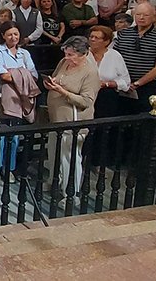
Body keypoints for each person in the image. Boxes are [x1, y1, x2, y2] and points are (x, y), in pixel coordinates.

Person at [44, 36, 99, 205]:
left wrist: (63, 92)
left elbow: (86, 101)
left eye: (71, 55)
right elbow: (56, 77)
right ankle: (56, 181)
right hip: (56, 117)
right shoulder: (63, 62)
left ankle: (71, 194)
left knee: (70, 157)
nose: (67, 58)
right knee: (54, 153)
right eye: (66, 54)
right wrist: (50, 84)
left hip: (73, 121)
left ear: (84, 54)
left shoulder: (90, 72)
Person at [112, 3, 156, 112]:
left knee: (145, 119)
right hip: (123, 85)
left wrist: (138, 83)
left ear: (154, 17)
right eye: (138, 14)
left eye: (146, 15)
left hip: (148, 86)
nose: (141, 18)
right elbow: (115, 58)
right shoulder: (123, 34)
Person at [0, 21, 39, 125]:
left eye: (15, 34)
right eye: (9, 35)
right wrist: (24, 73)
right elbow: (4, 75)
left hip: (24, 97)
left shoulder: (25, 53)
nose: (13, 37)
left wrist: (12, 72)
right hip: (4, 95)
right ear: (3, 36)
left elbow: (34, 76)